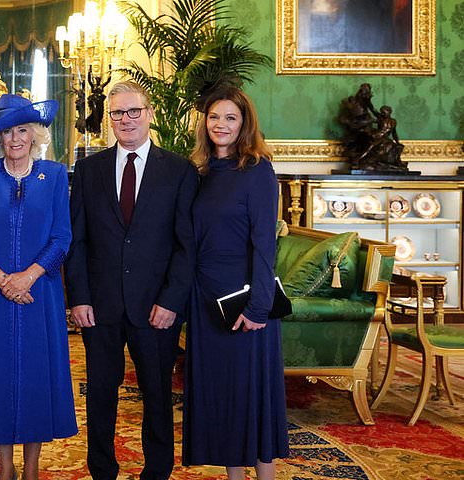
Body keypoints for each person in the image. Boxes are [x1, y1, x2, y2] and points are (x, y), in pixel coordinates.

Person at [64, 80, 197, 480]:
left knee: (157, 396)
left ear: (150, 113)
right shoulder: (89, 169)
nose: (126, 120)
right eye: (118, 113)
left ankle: (156, 472)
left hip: (156, 307)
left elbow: (185, 245)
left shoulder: (179, 171)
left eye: (133, 111)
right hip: (99, 306)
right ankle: (102, 470)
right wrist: (79, 298)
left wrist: (172, 301)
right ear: (109, 119)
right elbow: (77, 240)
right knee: (100, 396)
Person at [0, 94, 76, 480]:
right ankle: (5, 467)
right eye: (7, 131)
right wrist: (0, 278)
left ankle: (32, 467)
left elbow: (62, 237)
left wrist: (28, 276)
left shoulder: (56, 176)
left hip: (39, 293)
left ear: (36, 134)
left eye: (22, 129)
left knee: (36, 376)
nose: (14, 138)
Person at [182, 86, 289, 480]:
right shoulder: (200, 171)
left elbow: (264, 242)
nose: (221, 125)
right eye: (214, 117)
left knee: (251, 396)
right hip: (206, 300)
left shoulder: (258, 170)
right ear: (204, 122)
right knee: (222, 396)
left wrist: (259, 307)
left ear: (244, 123)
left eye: (230, 118)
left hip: (246, 301)